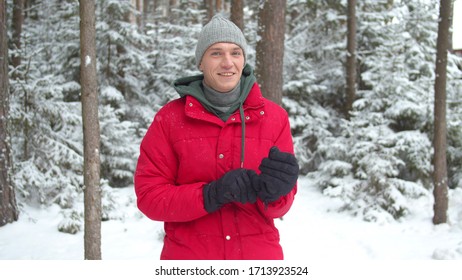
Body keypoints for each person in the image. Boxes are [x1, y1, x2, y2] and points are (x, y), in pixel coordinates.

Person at [134, 14, 299, 260]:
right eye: (216, 53)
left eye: (235, 53)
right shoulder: (170, 119)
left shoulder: (274, 118)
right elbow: (150, 197)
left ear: (243, 60)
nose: (227, 62)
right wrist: (211, 194)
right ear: (200, 62)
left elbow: (281, 205)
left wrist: (277, 193)